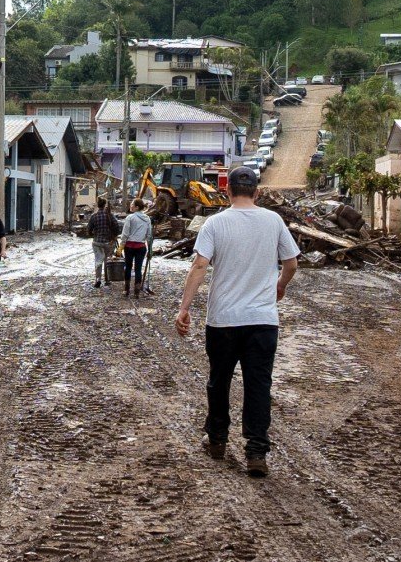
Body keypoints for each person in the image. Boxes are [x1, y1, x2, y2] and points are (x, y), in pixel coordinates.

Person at [173, 167, 298, 478]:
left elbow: (200, 265)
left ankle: (217, 440)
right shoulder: (274, 221)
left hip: (223, 321)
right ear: (256, 192)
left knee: (219, 381)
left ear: (227, 192)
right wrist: (280, 285)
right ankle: (256, 452)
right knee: (259, 385)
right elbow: (292, 262)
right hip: (263, 321)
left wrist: (184, 308)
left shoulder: (215, 224)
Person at [120, 198, 153, 298]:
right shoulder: (147, 218)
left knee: (128, 267)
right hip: (141, 247)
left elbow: (125, 234)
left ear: (137, 207)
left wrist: (121, 246)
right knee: (138, 269)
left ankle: (126, 290)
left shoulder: (130, 218)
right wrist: (150, 249)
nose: (130, 206)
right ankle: (137, 291)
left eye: (132, 204)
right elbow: (149, 235)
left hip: (129, 246)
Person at [89, 201, 121, 288]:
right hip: (109, 242)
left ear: (97, 205)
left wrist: (94, 235)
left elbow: (89, 230)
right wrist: (114, 236)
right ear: (105, 205)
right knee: (107, 260)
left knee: (98, 260)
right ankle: (107, 280)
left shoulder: (94, 216)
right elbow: (117, 227)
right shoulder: (110, 216)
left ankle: (98, 279)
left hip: (97, 242)